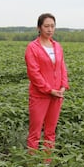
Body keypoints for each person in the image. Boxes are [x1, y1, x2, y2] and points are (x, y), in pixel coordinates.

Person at [25, 13, 69, 155]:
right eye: (46, 26)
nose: (50, 29)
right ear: (39, 27)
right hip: (40, 95)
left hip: (57, 95)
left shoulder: (57, 46)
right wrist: (49, 90)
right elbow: (34, 73)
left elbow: (62, 68)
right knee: (35, 132)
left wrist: (63, 87)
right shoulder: (32, 47)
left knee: (50, 132)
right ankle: (32, 164)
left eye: (52, 26)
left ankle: (47, 163)